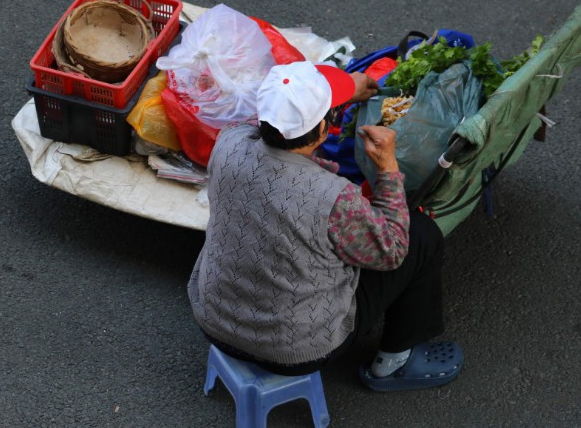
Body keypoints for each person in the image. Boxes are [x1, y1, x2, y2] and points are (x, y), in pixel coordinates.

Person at [187, 60, 463, 391]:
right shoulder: (335, 198)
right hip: (295, 349)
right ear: (322, 130)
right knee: (422, 235)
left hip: (213, 320)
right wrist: (389, 169)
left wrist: (339, 95)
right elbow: (391, 252)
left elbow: (269, 120)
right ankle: (395, 363)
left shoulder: (229, 141)